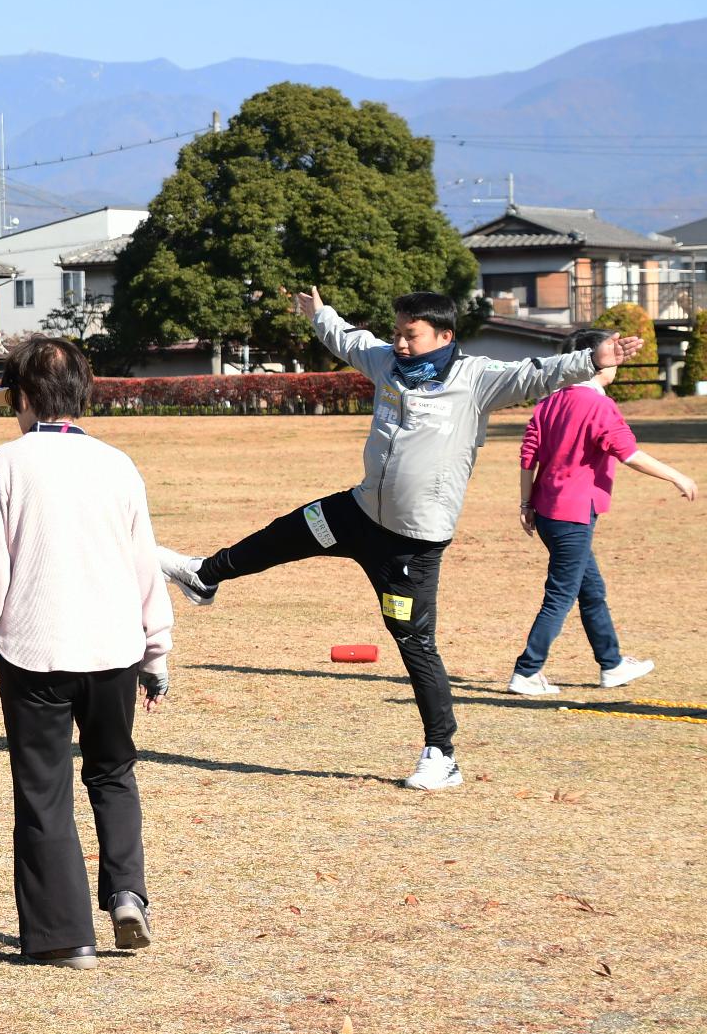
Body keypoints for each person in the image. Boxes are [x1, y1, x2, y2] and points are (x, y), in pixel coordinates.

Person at [157, 287, 643, 792]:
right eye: (398, 333)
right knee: (289, 531)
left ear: (444, 336)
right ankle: (204, 575)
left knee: (414, 643)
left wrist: (590, 359)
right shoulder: (387, 362)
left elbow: (534, 374)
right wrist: (319, 313)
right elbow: (349, 341)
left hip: (410, 545)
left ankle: (442, 755)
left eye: (411, 335)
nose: (401, 344)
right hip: (359, 512)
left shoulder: (475, 379)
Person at [0, 337, 172, 969]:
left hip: (34, 652)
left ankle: (64, 936)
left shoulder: (6, 463)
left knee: (44, 790)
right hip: (114, 650)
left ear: (20, 398)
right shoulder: (118, 464)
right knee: (112, 772)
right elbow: (143, 564)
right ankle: (127, 891)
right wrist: (157, 653)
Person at [508, 329, 695, 695]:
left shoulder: (549, 401)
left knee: (591, 589)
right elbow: (628, 453)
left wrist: (526, 503)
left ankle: (611, 665)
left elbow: (528, 456)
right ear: (591, 360)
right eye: (610, 351)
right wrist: (677, 476)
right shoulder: (597, 405)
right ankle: (527, 671)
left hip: (549, 511)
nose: (617, 360)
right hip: (572, 514)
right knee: (561, 594)